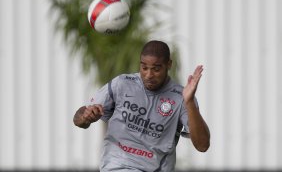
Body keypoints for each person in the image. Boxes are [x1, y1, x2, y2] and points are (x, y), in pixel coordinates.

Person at [73, 40, 210, 172]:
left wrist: (190, 102)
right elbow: (78, 120)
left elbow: (203, 145)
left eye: (156, 69)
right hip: (116, 166)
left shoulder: (181, 97)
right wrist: (86, 117)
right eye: (144, 68)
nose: (149, 75)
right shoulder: (122, 84)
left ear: (169, 64)